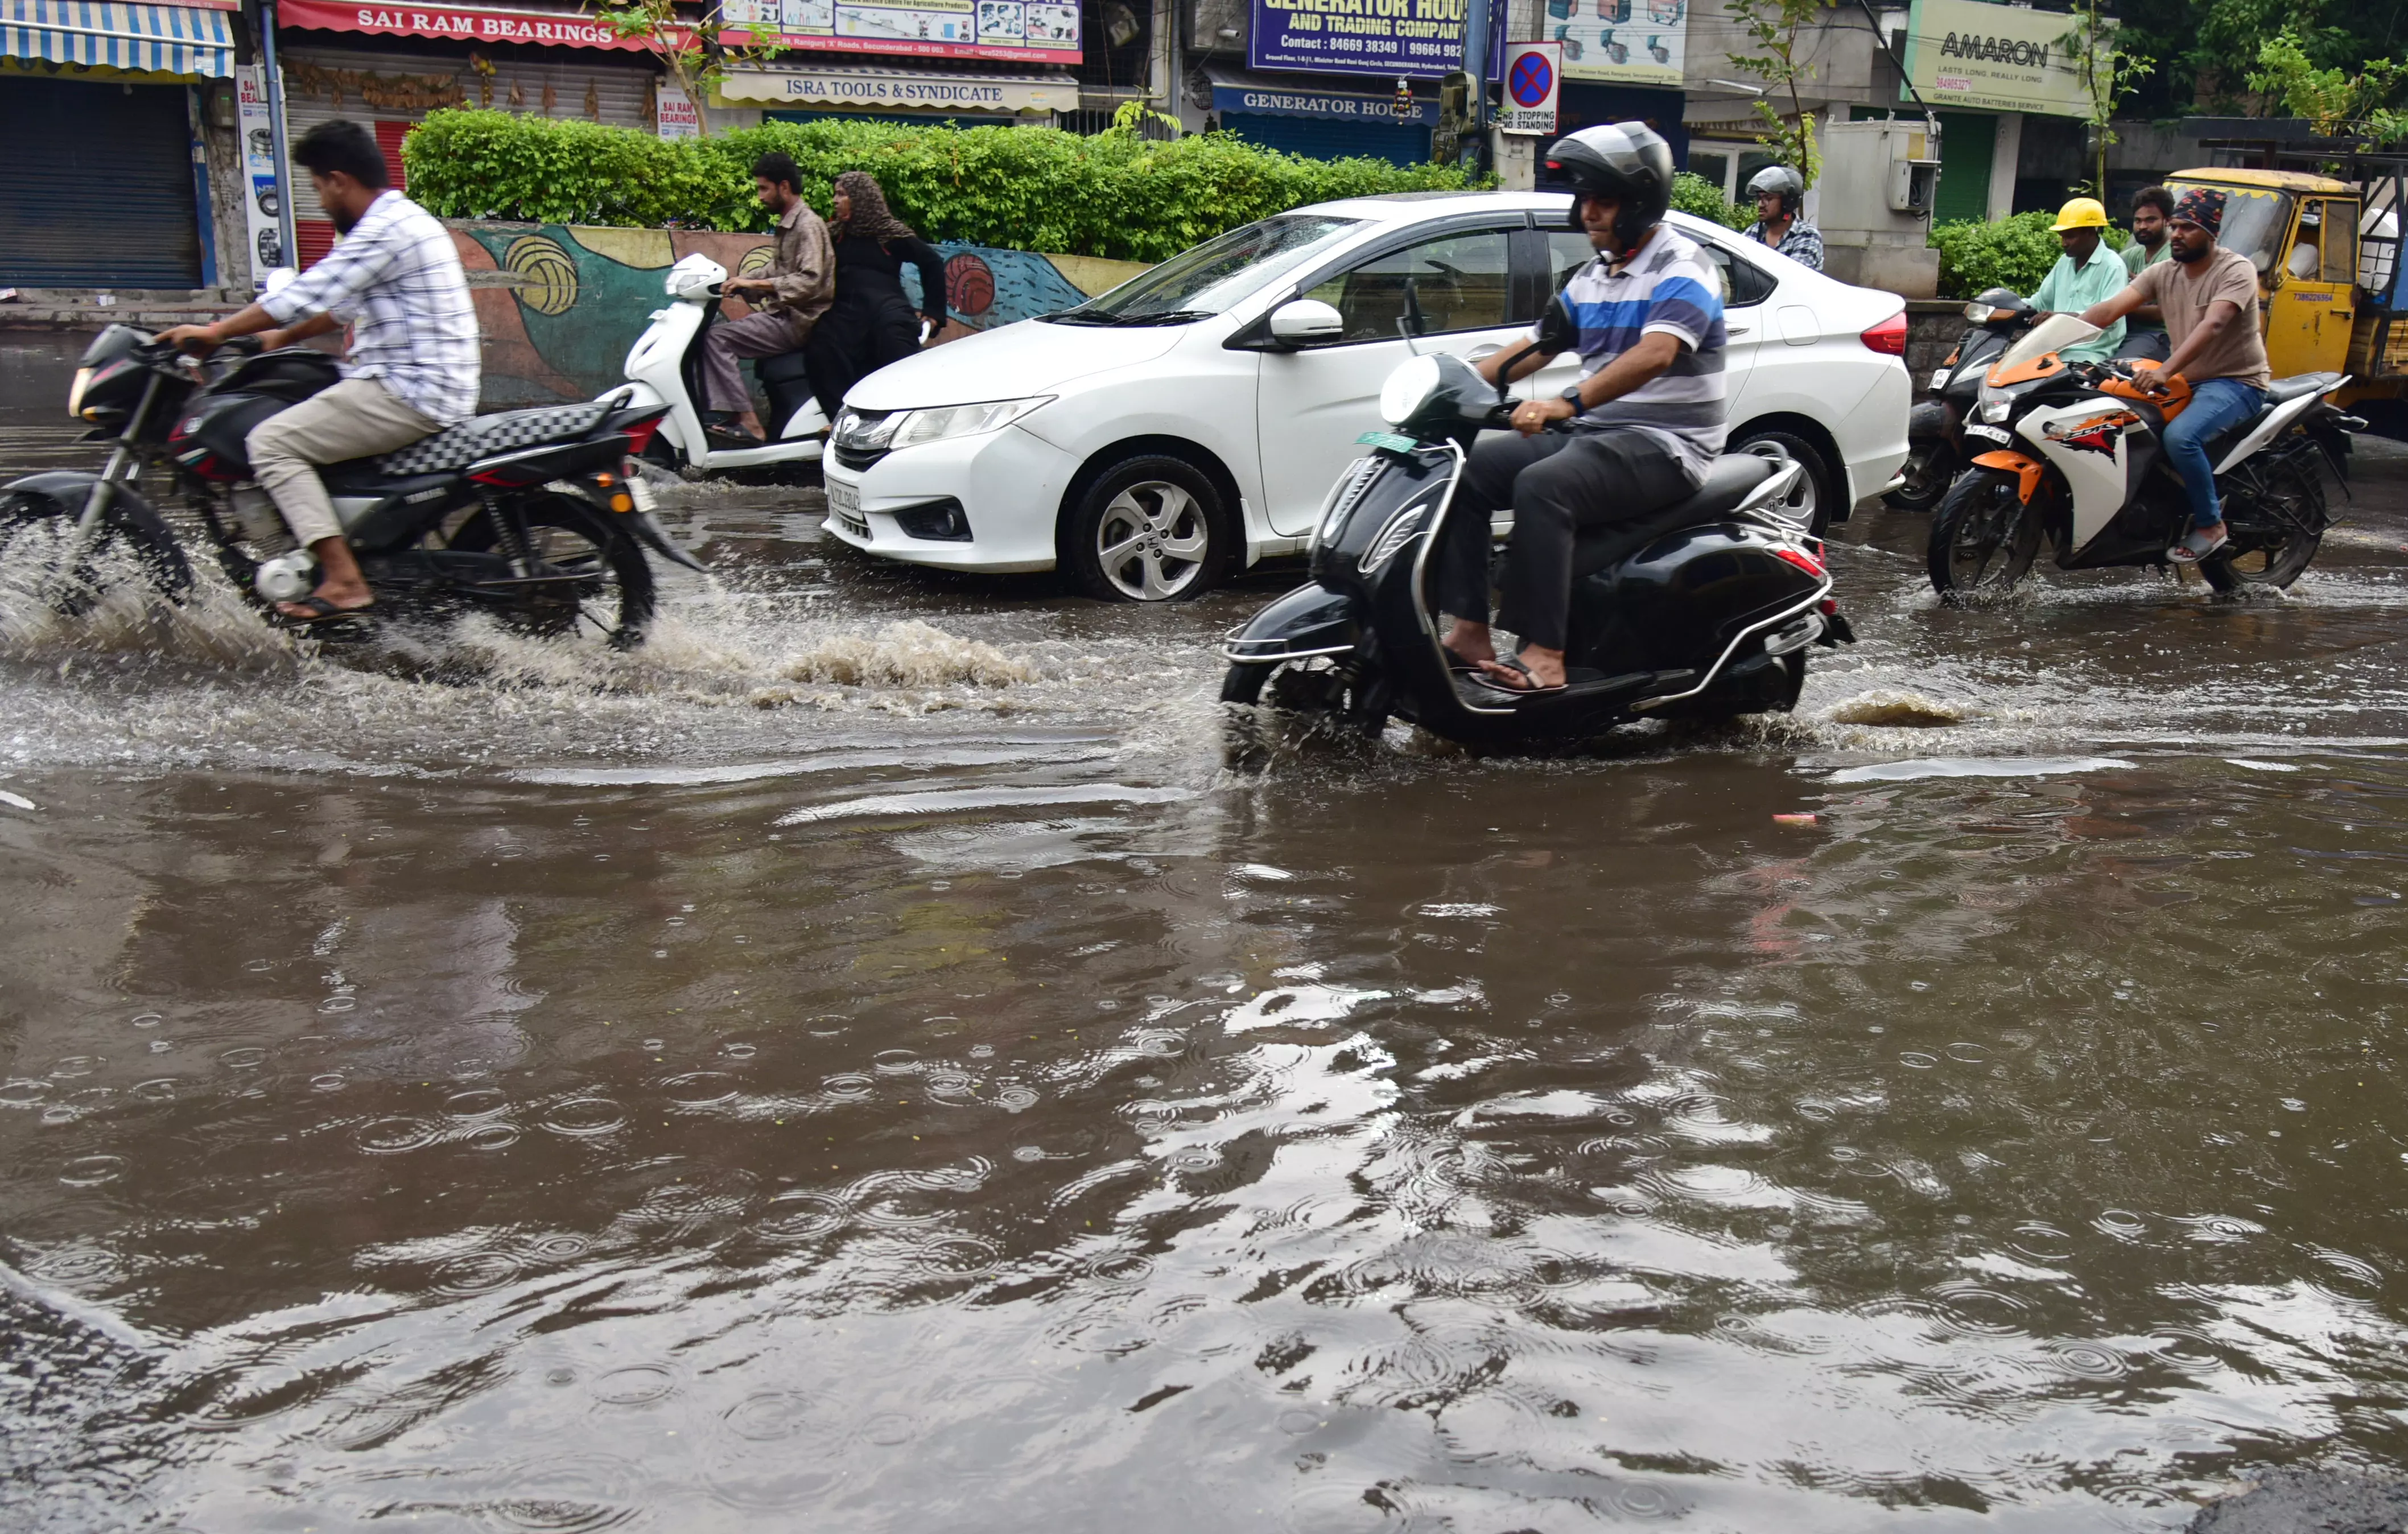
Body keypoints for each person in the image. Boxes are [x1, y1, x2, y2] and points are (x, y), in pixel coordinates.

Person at [1437, 121, 1726, 694]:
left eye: (1604, 200)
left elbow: (1656, 353)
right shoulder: (1593, 277)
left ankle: (1544, 657)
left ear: (1640, 203)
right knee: (1465, 480)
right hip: (1599, 434)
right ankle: (1469, 630)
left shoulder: (1682, 267)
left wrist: (1564, 403)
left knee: (1543, 486)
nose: (1589, 212)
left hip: (1666, 444)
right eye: (1584, 199)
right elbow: (1537, 345)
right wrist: (1456, 387)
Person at [159, 118, 477, 624]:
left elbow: (309, 292)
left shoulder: (382, 229)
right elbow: (344, 304)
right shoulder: (401, 219)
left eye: (317, 188)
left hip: (410, 391)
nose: (320, 200)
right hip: (422, 383)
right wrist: (281, 338)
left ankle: (345, 581)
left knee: (271, 443)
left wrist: (215, 332)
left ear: (338, 180)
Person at [2077, 185, 2273, 564]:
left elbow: (2213, 325)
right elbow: (2107, 311)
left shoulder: (2236, 270)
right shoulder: (2163, 272)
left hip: (2235, 381)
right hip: (2185, 380)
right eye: (2177, 226)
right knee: (2121, 420)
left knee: (2181, 438)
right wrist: (2051, 334)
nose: (2178, 235)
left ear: (2211, 232)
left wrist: (2165, 371)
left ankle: (2210, 525)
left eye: (2189, 228)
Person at [702, 152, 834, 444]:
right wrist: (739, 284)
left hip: (796, 320)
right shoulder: (789, 224)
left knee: (717, 339)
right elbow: (775, 270)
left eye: (764, 188)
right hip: (782, 314)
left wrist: (755, 283)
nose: (760, 196)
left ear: (784, 187)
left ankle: (749, 423)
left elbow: (809, 280)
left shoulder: (807, 225)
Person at [802, 171, 947, 420]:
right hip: (845, 313)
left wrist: (933, 314)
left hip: (886, 309)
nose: (835, 201)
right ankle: (843, 421)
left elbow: (931, 262)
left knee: (896, 346)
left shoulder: (887, 234)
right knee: (820, 350)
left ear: (861, 198)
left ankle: (905, 420)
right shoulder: (834, 236)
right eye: (835, 195)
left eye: (842, 195)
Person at [2026, 196, 2128, 363]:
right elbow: (2041, 301)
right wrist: (2008, 307)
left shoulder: (2113, 266)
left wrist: (2060, 318)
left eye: (2070, 237)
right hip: (2053, 350)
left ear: (2089, 232)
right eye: (2062, 237)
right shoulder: (2065, 261)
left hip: (2088, 355)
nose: (2064, 243)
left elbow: (2111, 318)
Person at [2116, 185, 2175, 361]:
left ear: (2168, 221)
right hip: (2122, 330)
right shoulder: (2131, 256)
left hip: (2159, 337)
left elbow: (2163, 312)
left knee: (2114, 370)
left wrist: (2122, 306)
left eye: (2151, 220)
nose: (2142, 226)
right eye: (2138, 220)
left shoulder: (2174, 255)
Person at [1741, 164, 1822, 271]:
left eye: (1768, 199)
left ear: (1787, 202)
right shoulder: (1753, 232)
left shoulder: (1807, 235)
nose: (1760, 204)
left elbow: (1793, 277)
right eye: (1759, 198)